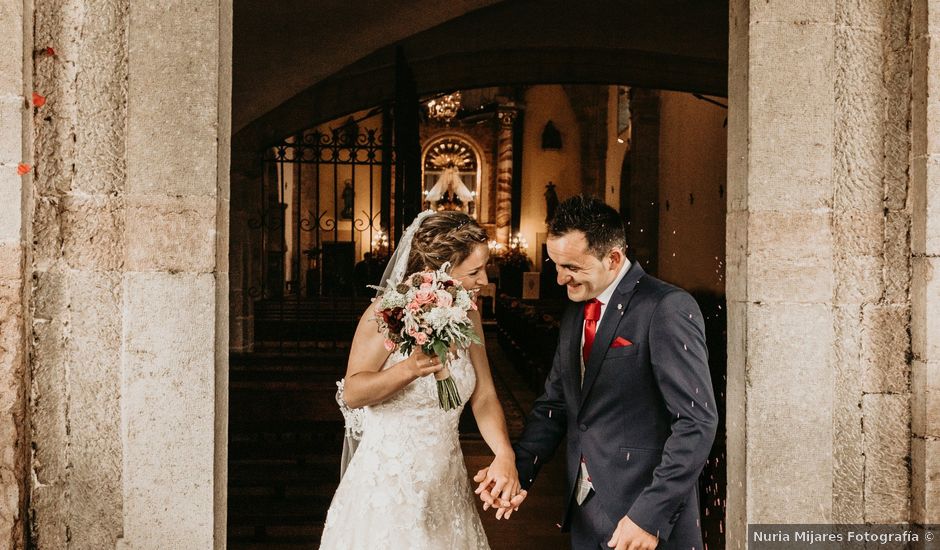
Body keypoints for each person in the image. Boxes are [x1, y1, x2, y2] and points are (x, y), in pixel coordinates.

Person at [475, 196, 718, 550]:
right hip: (586, 514)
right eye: (555, 264)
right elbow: (556, 405)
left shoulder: (666, 307)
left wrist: (648, 516)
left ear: (613, 258)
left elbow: (696, 423)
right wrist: (517, 470)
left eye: (571, 266)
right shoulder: (577, 310)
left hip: (646, 520)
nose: (559, 278)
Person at [320, 210, 523, 550]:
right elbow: (353, 393)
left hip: (446, 484)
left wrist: (504, 454)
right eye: (474, 271)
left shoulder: (468, 314)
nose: (485, 279)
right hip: (388, 487)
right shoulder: (385, 314)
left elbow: (484, 395)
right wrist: (408, 369)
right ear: (440, 270)